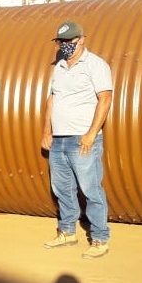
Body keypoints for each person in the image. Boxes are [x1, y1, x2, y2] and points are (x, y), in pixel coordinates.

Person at [41, 20, 113, 259]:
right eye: (60, 41)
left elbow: (105, 98)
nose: (64, 45)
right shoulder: (60, 67)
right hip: (59, 140)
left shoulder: (95, 65)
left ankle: (100, 238)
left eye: (69, 40)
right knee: (62, 188)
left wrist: (91, 133)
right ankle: (68, 232)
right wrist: (47, 131)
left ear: (81, 39)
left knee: (91, 189)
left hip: (82, 139)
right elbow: (52, 99)